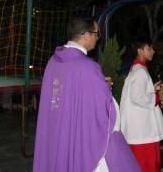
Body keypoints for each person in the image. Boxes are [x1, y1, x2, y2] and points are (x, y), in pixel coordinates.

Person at [33, 17, 140, 172]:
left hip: (56, 133)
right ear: (85, 35)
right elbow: (106, 111)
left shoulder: (53, 62)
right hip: (77, 136)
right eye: (96, 33)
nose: (97, 38)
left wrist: (98, 85)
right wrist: (102, 89)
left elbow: (69, 92)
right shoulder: (88, 67)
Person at [120, 37, 163, 172]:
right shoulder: (140, 72)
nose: (152, 51)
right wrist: (157, 97)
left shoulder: (136, 69)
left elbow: (137, 94)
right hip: (143, 131)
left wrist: (152, 90)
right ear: (140, 51)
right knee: (148, 165)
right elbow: (137, 97)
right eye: (149, 48)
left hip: (140, 130)